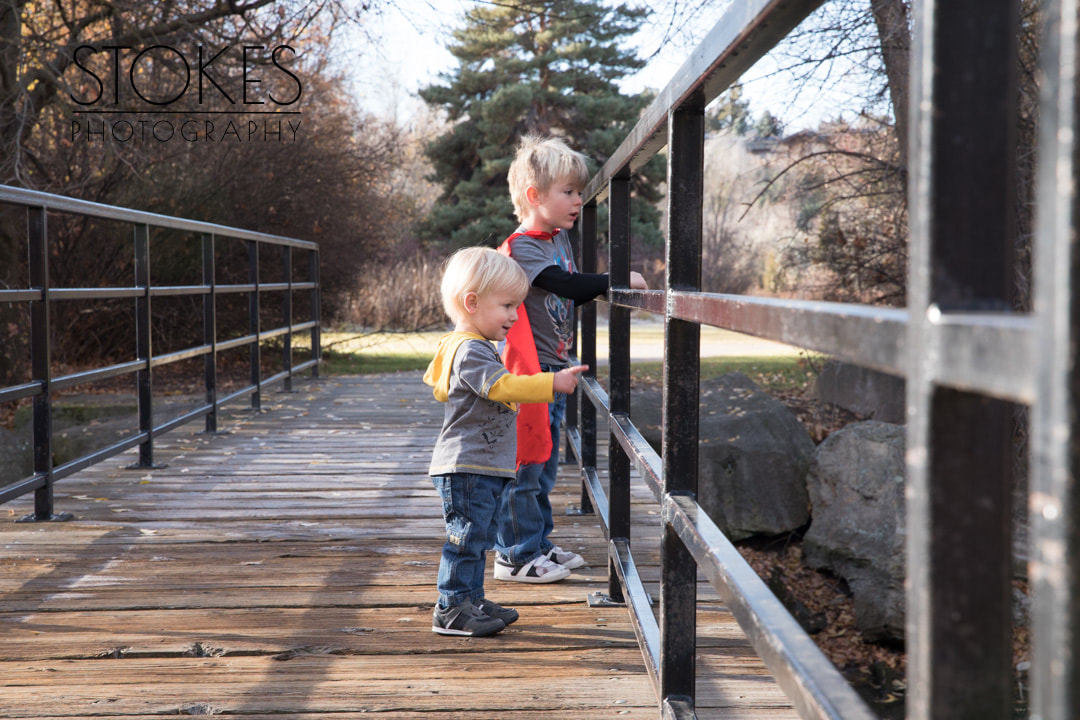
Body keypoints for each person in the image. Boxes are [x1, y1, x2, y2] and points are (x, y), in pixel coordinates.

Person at [495, 135, 648, 584]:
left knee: (542, 468)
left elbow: (568, 291)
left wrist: (592, 282)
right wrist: (617, 278)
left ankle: (537, 543)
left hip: (553, 371)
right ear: (534, 197)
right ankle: (513, 556)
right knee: (525, 465)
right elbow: (570, 286)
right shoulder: (524, 246)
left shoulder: (557, 239)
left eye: (581, 192)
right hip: (528, 372)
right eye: (569, 192)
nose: (579, 200)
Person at [423, 246, 588, 636]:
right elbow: (503, 385)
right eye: (508, 306)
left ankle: (471, 599)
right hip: (467, 466)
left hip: (481, 464)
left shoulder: (468, 345)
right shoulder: (470, 349)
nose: (516, 316)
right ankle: (451, 609)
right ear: (472, 302)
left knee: (477, 538)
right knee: (465, 541)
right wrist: (551, 382)